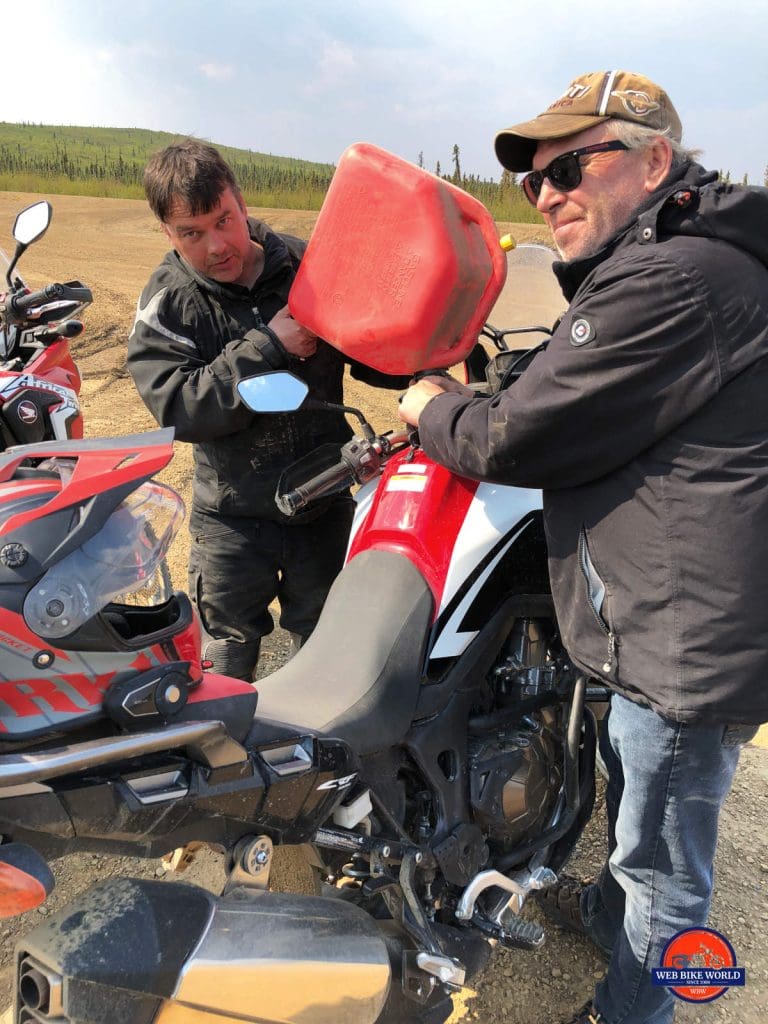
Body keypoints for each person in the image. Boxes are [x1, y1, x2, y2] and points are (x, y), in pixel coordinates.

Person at [398, 70, 768, 1024]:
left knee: (665, 864)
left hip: (683, 640)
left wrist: (433, 404)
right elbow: (575, 382)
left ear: (652, 162)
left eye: (570, 165)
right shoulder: (678, 260)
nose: (549, 191)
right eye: (533, 180)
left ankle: (634, 1006)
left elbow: (515, 436)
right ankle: (608, 911)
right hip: (657, 609)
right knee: (636, 808)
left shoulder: (676, 277)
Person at [128, 139, 403, 682]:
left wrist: (433, 352)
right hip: (231, 518)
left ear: (241, 202)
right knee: (224, 665)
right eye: (192, 233)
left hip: (323, 502)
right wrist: (268, 346)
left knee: (328, 656)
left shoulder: (308, 266)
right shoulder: (169, 301)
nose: (216, 246)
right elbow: (179, 407)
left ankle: (323, 765)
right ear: (167, 231)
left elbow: (374, 353)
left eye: (224, 220)